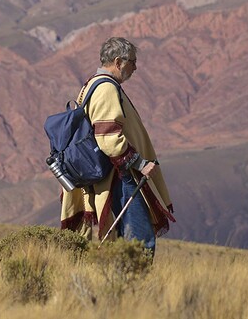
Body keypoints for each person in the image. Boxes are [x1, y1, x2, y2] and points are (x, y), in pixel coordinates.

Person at [60, 37, 175, 255]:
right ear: (118, 62)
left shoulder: (92, 85)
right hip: (119, 177)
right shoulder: (105, 88)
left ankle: (122, 282)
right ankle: (133, 286)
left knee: (128, 238)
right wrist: (140, 163)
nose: (135, 67)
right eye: (132, 61)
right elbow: (109, 138)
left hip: (111, 174)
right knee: (139, 240)